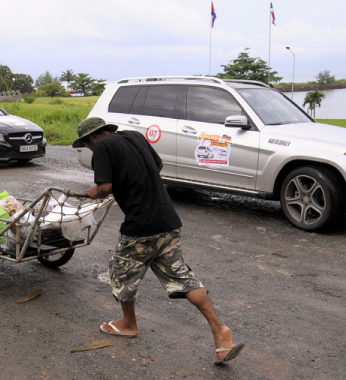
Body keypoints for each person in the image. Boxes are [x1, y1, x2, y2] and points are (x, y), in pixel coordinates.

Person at [73, 117, 244, 365]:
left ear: (92, 137)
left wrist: (92, 191)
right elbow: (159, 165)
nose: (90, 149)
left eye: (87, 145)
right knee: (183, 277)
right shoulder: (135, 136)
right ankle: (220, 332)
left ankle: (129, 324)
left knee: (121, 273)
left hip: (141, 226)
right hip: (168, 220)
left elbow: (105, 187)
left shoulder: (102, 146)